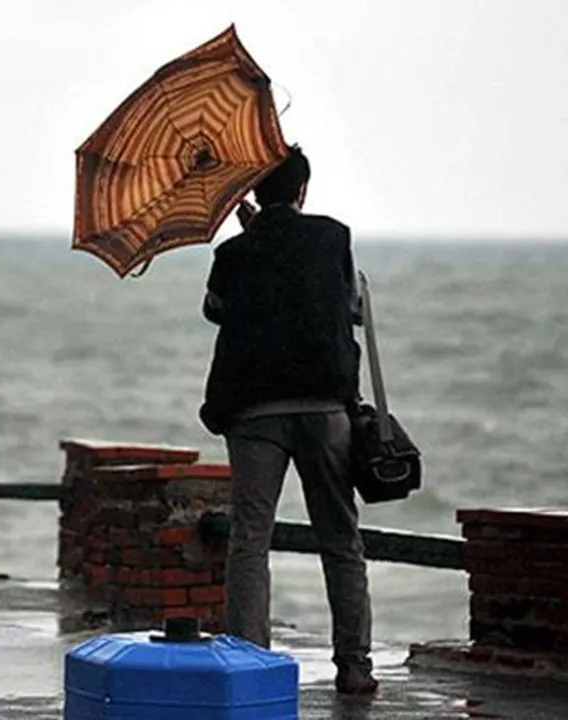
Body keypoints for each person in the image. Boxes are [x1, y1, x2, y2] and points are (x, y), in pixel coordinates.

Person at [198, 145, 378, 695]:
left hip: (253, 414)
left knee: (249, 540)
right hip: (326, 410)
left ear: (253, 192)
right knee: (341, 538)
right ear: (302, 190)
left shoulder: (234, 253)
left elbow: (216, 310)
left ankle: (251, 664)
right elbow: (350, 308)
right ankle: (354, 667)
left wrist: (252, 241)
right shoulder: (334, 237)